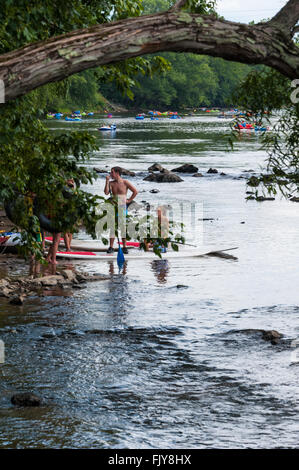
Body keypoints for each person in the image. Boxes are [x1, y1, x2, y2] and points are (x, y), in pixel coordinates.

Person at [104, 167, 138, 254]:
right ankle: (111, 247)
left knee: (122, 227)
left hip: (122, 206)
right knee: (112, 227)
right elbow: (106, 192)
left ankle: (124, 247)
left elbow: (135, 191)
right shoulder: (111, 183)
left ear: (117, 173)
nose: (110, 174)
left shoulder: (125, 182)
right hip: (113, 207)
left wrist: (129, 200)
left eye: (112, 172)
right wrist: (107, 181)